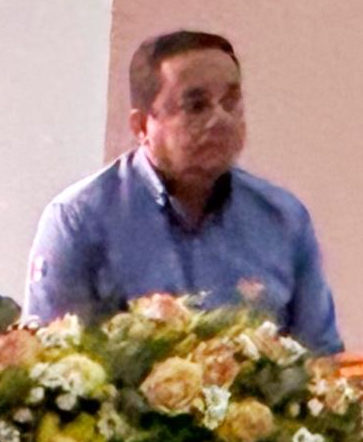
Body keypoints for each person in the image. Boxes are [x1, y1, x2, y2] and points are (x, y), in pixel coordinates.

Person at [26, 29, 342, 347]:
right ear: (141, 126)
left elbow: (323, 357)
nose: (220, 120)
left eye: (231, 103)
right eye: (196, 106)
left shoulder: (283, 219)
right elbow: (52, 358)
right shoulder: (79, 220)